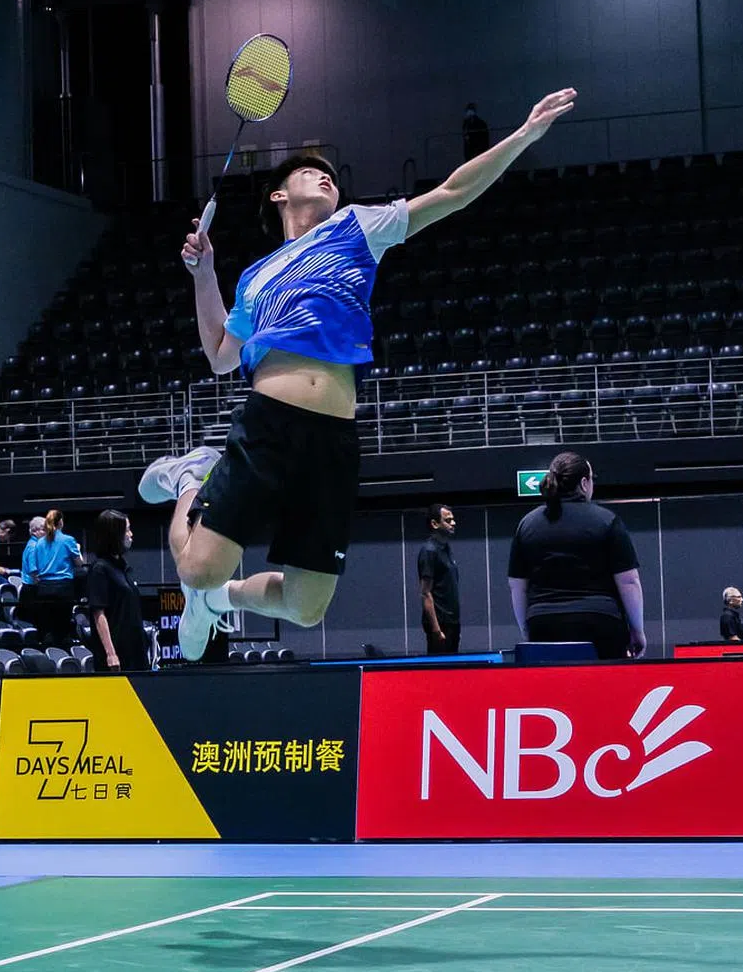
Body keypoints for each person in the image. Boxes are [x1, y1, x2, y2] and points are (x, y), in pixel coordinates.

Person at [136, 87, 578, 661]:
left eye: (329, 174)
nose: (325, 177)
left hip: (333, 438)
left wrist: (522, 136)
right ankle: (189, 479)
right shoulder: (256, 276)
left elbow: (451, 193)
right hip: (269, 424)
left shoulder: (356, 227)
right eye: (309, 171)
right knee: (196, 568)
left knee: (305, 606)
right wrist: (204, 274)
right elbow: (221, 353)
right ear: (278, 194)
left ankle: (220, 600)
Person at [507, 451, 645, 660]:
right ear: (584, 483)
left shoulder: (527, 524)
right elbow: (629, 581)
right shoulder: (607, 520)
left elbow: (517, 586)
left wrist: (527, 629)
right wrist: (637, 630)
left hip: (544, 622)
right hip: (601, 622)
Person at [86, 510, 148, 671]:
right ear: (114, 535)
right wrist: (111, 654)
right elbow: (98, 614)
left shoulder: (122, 567)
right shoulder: (99, 569)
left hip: (135, 652)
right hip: (117, 657)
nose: (131, 535)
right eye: (127, 530)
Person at [20, 510, 84, 647]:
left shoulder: (39, 543)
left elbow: (34, 569)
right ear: (60, 522)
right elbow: (79, 563)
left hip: (44, 588)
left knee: (47, 627)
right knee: (63, 627)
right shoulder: (68, 540)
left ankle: (50, 653)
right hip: (63, 587)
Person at [417, 502, 460, 655]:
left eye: (453, 519)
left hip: (452, 622)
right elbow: (425, 593)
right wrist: (436, 629)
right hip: (440, 624)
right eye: (448, 520)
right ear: (435, 524)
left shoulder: (446, 548)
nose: (453, 523)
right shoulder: (429, 551)